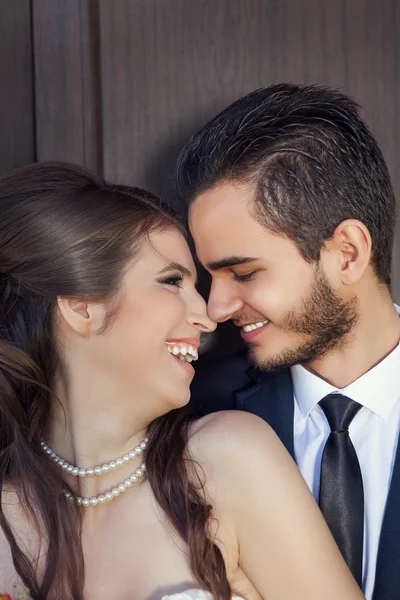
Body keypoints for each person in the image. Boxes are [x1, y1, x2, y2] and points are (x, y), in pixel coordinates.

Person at [0, 162, 364, 600]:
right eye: (172, 281)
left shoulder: (225, 460)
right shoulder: (6, 516)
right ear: (82, 308)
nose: (207, 314)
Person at [176, 83, 400, 600]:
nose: (214, 309)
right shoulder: (194, 409)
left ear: (347, 253)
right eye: (209, 277)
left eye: (244, 272)